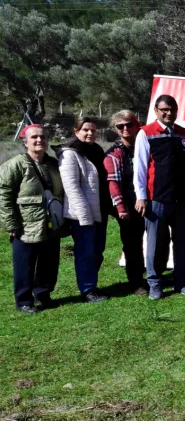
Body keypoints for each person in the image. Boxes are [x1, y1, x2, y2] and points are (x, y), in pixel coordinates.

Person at [135, 95, 185, 300]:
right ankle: (155, 283)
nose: (168, 113)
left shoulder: (184, 134)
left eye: (172, 109)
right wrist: (141, 196)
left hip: (182, 200)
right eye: (164, 109)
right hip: (157, 199)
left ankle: (181, 282)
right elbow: (140, 168)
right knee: (156, 244)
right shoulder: (146, 133)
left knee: (181, 242)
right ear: (156, 110)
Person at [0, 125, 64, 313]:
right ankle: (24, 301)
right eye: (34, 137)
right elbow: (3, 194)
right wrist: (11, 224)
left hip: (51, 223)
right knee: (25, 265)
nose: (39, 140)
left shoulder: (53, 164)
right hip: (25, 225)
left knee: (49, 262)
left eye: (43, 137)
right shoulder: (15, 164)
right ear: (25, 141)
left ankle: (43, 295)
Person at [56, 117, 109, 303]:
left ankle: (91, 284)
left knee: (97, 250)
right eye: (86, 129)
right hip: (82, 214)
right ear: (76, 131)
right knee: (86, 252)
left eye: (93, 130)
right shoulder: (69, 154)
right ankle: (87, 289)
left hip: (99, 210)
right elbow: (71, 188)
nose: (90, 133)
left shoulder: (96, 150)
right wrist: (84, 216)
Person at [104, 110, 147, 295]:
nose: (125, 129)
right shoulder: (113, 154)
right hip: (128, 205)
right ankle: (136, 281)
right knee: (132, 244)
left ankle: (153, 275)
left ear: (137, 124)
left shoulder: (146, 144)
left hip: (150, 201)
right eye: (120, 126)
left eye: (129, 124)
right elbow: (113, 184)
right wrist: (121, 208)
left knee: (156, 240)